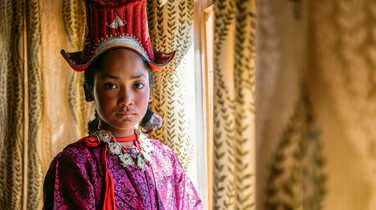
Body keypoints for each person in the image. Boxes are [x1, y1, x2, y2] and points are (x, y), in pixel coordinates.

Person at [43, 0, 203, 209]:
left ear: (151, 91)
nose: (126, 99)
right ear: (89, 91)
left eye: (137, 84)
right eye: (111, 85)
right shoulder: (76, 164)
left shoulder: (166, 159)